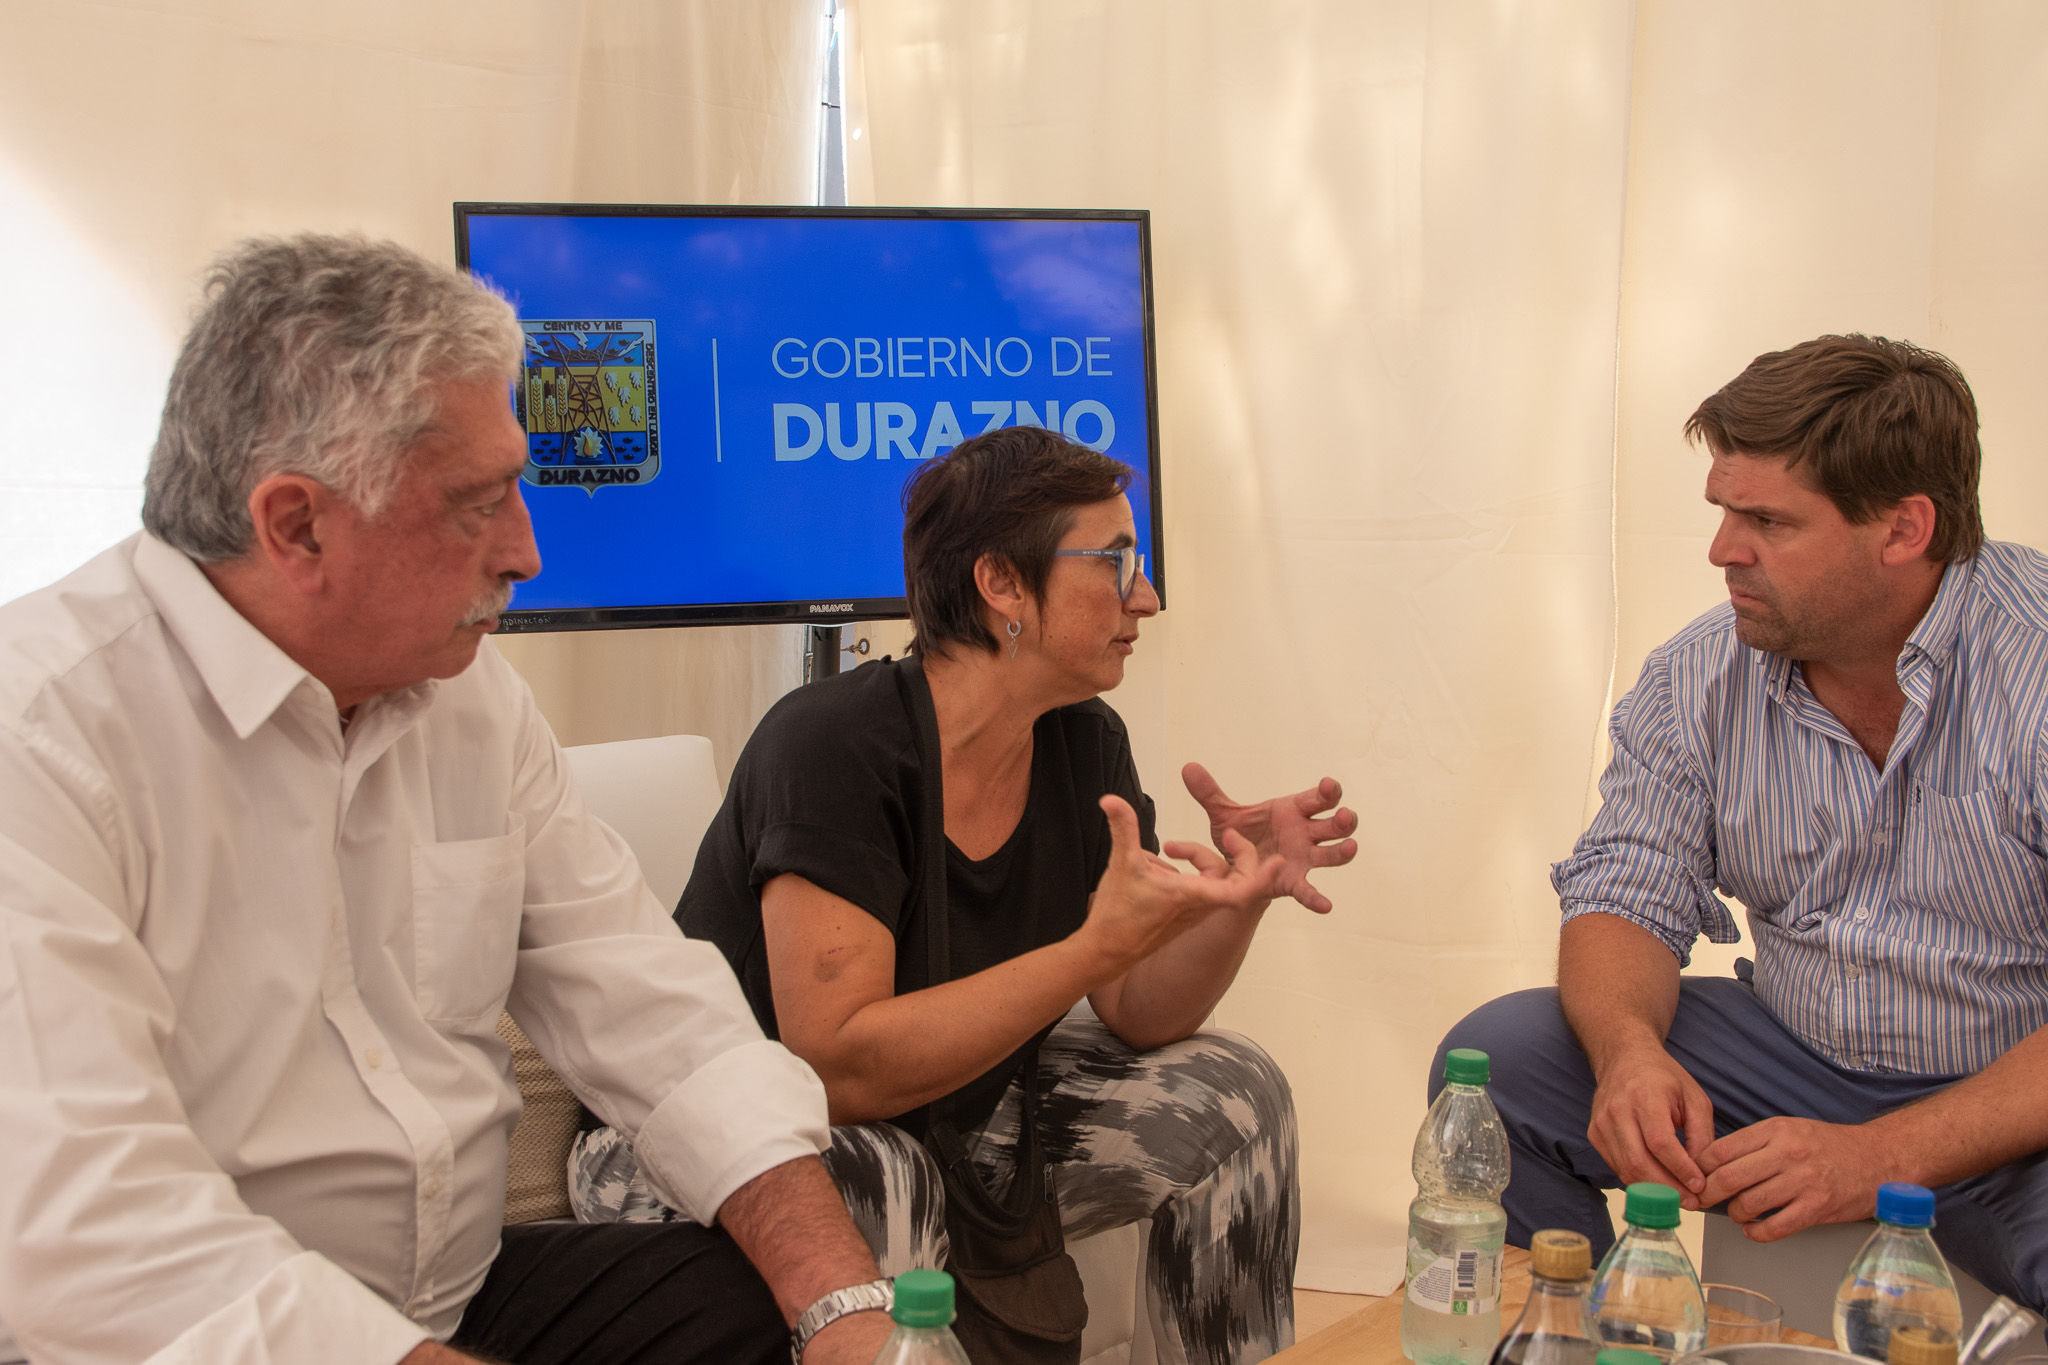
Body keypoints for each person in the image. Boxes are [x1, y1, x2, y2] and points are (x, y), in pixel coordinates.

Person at [0, 234, 897, 1365]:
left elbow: (649, 1005)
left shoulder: (468, 696)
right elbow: (85, 1221)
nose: (527, 551)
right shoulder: (41, 736)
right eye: (476, 505)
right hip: (187, 1334)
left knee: (762, 1305)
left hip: (455, 1296)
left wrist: (842, 1305)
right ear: (296, 524)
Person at [568, 425, 1359, 1365]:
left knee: (1234, 1093)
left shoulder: (1085, 741)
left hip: (942, 1120)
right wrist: (1088, 950)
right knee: (890, 1173)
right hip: (688, 1148)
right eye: (1115, 562)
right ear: (1002, 584)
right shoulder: (832, 744)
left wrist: (1239, 898)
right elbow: (838, 1065)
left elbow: (1138, 1007)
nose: (1145, 595)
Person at [1439, 334, 2048, 1308]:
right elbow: (1623, 891)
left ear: (1904, 528)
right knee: (1503, 1063)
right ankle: (1583, 1337)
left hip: (2018, 1096)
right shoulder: (1698, 674)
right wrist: (1628, 1054)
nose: (1724, 549)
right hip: (1793, 1058)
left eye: (1767, 520)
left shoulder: (2034, 664)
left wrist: (1879, 1155)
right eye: (1724, 511)